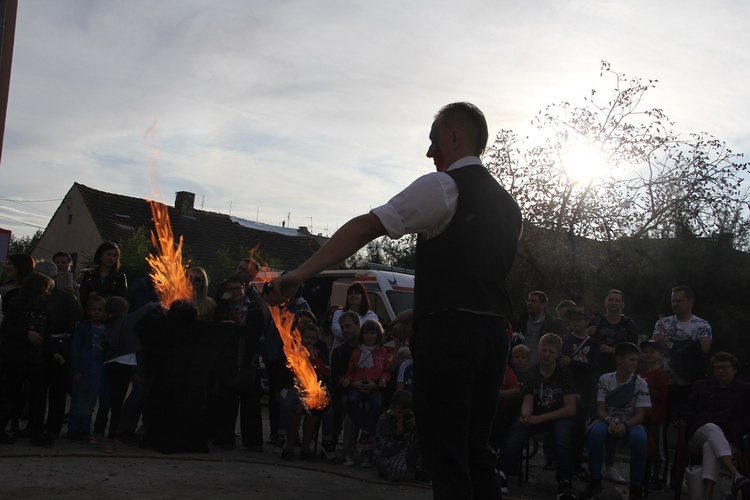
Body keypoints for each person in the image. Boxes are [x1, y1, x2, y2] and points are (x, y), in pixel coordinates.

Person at [264, 102, 522, 500]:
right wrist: (420, 311)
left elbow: (368, 225)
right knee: (475, 451)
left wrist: (300, 273)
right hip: (491, 338)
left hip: (449, 341)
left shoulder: (443, 186)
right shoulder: (509, 207)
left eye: (434, 140)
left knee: (446, 455)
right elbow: (475, 279)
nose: (430, 152)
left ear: (454, 137)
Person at [496, 333, 578, 499]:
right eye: (544, 350)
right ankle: (501, 473)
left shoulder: (564, 374)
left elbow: (571, 409)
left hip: (559, 416)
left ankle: (564, 483)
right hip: (537, 414)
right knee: (518, 427)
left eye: (551, 352)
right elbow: (528, 401)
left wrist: (539, 418)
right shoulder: (532, 373)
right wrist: (525, 414)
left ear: (558, 354)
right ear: (538, 351)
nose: (546, 354)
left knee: (563, 435)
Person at [652, 285, 712, 485]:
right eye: (673, 301)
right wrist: (683, 347)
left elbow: (703, 349)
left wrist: (669, 344)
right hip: (664, 382)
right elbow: (656, 349)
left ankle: (679, 477)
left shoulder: (701, 324)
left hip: (689, 385)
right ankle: (658, 474)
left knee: (687, 431)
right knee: (659, 428)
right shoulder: (663, 323)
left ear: (690, 301)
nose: (675, 304)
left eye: (679, 300)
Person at [580, 342, 651, 500]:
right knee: (596, 435)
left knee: (640, 439)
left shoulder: (640, 383)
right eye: (631, 359)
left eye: (636, 360)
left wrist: (625, 425)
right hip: (608, 420)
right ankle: (595, 482)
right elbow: (601, 409)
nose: (635, 363)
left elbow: (640, 414)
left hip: (631, 422)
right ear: (619, 360)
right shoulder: (606, 379)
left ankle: (636, 488)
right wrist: (610, 422)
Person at [0, 273, 63, 446]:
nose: (48, 292)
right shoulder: (17, 305)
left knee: (39, 395)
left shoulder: (45, 308)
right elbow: (6, 328)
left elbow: (46, 333)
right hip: (16, 357)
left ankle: (36, 432)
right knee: (12, 394)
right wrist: (26, 333)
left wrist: (53, 352)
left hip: (35, 358)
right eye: (46, 288)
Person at [91, 296, 160, 452]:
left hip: (109, 366)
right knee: (117, 406)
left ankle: (97, 434)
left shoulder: (107, 326)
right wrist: (156, 303)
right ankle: (110, 441)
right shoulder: (126, 322)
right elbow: (144, 310)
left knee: (104, 404)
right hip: (124, 368)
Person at [680, 352, 750, 500]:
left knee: (710, 446)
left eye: (725, 367)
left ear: (735, 369)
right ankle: (734, 474)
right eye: (717, 368)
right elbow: (686, 410)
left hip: (730, 436)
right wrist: (700, 420)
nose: (721, 371)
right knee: (711, 427)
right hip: (700, 431)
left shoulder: (744, 389)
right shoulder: (701, 386)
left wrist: (739, 429)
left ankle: (707, 496)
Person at [277, 323, 333, 460]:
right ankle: (288, 445)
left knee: (313, 408)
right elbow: (289, 373)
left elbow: (325, 372)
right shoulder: (293, 352)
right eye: (307, 337)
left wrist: (314, 360)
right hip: (294, 386)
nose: (309, 341)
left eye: (313, 338)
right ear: (301, 338)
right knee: (295, 408)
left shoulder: (319, 353)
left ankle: (306, 447)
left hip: (312, 388)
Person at [560, 305, 601, 479]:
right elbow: (561, 364)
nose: (575, 322)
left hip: (585, 390)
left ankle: (577, 465)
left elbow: (594, 367)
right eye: (572, 320)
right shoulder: (565, 339)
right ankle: (559, 461)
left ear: (586, 321)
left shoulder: (594, 343)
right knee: (563, 426)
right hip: (567, 388)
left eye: (579, 319)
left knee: (579, 428)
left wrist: (572, 363)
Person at [342, 319, 390, 457]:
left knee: (376, 405)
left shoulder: (382, 352)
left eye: (372, 333)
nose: (369, 336)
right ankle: (365, 427)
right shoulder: (356, 353)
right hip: (357, 386)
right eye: (366, 333)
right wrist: (348, 381)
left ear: (377, 334)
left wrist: (382, 381)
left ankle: (366, 432)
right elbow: (351, 371)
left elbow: (385, 371)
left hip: (374, 388)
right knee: (351, 402)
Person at [66, 294, 108, 441]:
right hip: (83, 371)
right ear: (88, 310)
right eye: (93, 309)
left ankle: (84, 429)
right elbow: (75, 350)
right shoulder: (83, 328)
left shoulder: (105, 330)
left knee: (90, 403)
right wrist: (76, 370)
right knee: (77, 401)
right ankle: (73, 430)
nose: (96, 312)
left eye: (100, 309)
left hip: (97, 373)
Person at [329, 311, 361, 464]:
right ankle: (348, 450)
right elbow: (336, 381)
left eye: (348, 326)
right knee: (351, 406)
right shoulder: (338, 352)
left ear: (358, 326)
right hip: (346, 393)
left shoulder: (368, 349)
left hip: (368, 391)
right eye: (342, 327)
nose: (345, 330)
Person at [639, 339, 669, 493]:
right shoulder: (643, 374)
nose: (649, 354)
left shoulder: (661, 374)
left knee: (658, 450)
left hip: (657, 418)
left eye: (653, 351)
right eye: (646, 351)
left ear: (661, 356)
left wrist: (645, 388)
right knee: (647, 447)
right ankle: (646, 475)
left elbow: (661, 395)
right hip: (644, 418)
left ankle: (659, 477)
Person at [374, 389, 421, 482]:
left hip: (408, 453)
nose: (403, 416)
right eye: (400, 412)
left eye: (406, 413)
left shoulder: (412, 417)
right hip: (388, 455)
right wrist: (398, 435)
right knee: (400, 473)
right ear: (392, 408)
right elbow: (386, 450)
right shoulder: (385, 421)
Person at [589, 289, 638, 375]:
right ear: (605, 303)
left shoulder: (629, 324)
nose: (613, 303)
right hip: (597, 369)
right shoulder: (595, 321)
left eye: (617, 301)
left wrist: (613, 350)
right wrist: (586, 333)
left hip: (621, 370)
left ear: (622, 305)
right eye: (610, 300)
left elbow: (634, 350)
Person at [513, 291, 567, 366]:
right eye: (528, 300)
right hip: (521, 367)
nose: (529, 303)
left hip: (542, 368)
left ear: (543, 305)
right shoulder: (522, 321)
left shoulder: (554, 325)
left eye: (534, 301)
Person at [78, 242, 128, 309]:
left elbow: (121, 300)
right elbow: (83, 296)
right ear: (100, 256)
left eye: (114, 255)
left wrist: (98, 295)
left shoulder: (120, 277)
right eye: (109, 254)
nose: (112, 258)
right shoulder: (89, 275)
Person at [330, 282, 379, 351]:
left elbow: (372, 333)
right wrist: (358, 334)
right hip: (340, 353)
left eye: (356, 293)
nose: (353, 295)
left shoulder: (371, 316)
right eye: (350, 293)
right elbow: (337, 331)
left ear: (363, 296)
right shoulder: (339, 313)